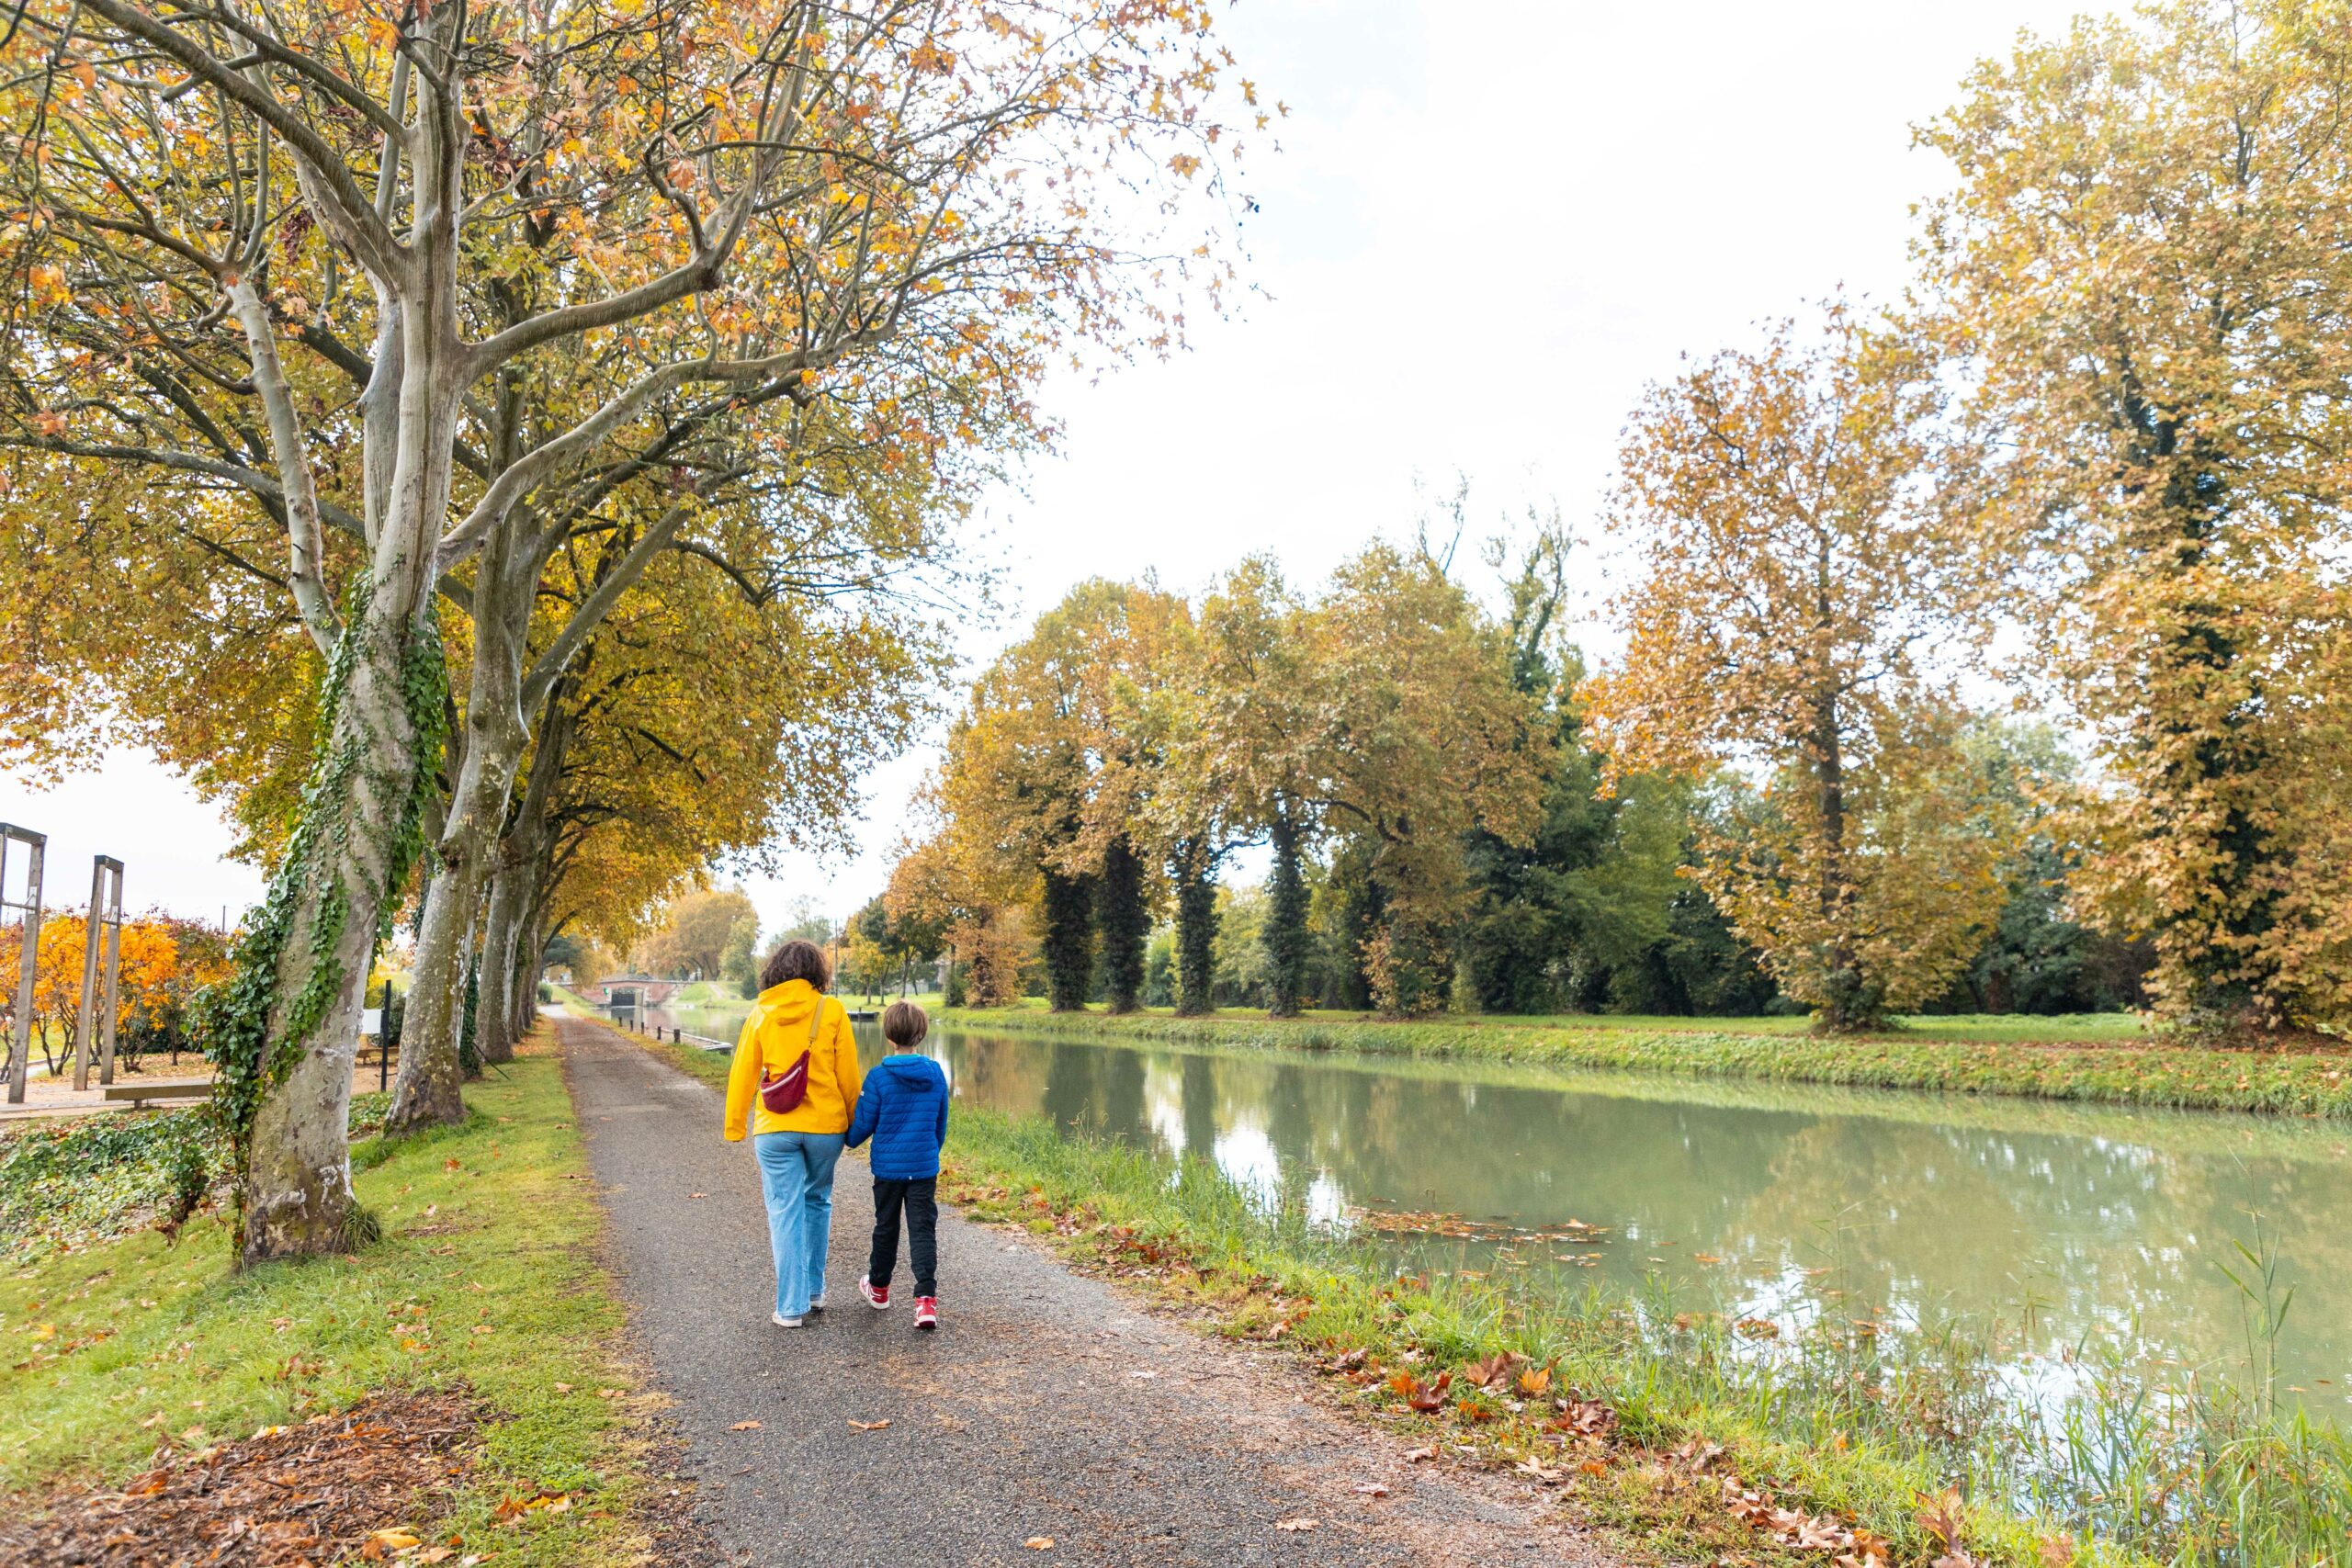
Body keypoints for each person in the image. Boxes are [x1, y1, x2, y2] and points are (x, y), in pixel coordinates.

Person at [723, 939, 863, 1327]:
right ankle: (815, 1291)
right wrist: (856, 1123)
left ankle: (790, 1308)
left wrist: (736, 1124)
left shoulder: (760, 1013)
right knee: (817, 1201)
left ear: (776, 970)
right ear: (817, 972)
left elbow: (743, 1073)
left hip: (775, 1129)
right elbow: (848, 1074)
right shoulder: (831, 1010)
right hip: (825, 1129)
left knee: (785, 1212)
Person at [845, 1000, 948, 1331]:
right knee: (922, 1230)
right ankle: (925, 1303)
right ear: (920, 1034)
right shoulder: (935, 1074)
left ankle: (878, 1289)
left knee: (885, 1227)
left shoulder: (878, 1077)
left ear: (890, 1036)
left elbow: (862, 1127)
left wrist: (844, 1136)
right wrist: (929, 1153)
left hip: (888, 1170)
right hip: (923, 1168)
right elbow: (940, 1125)